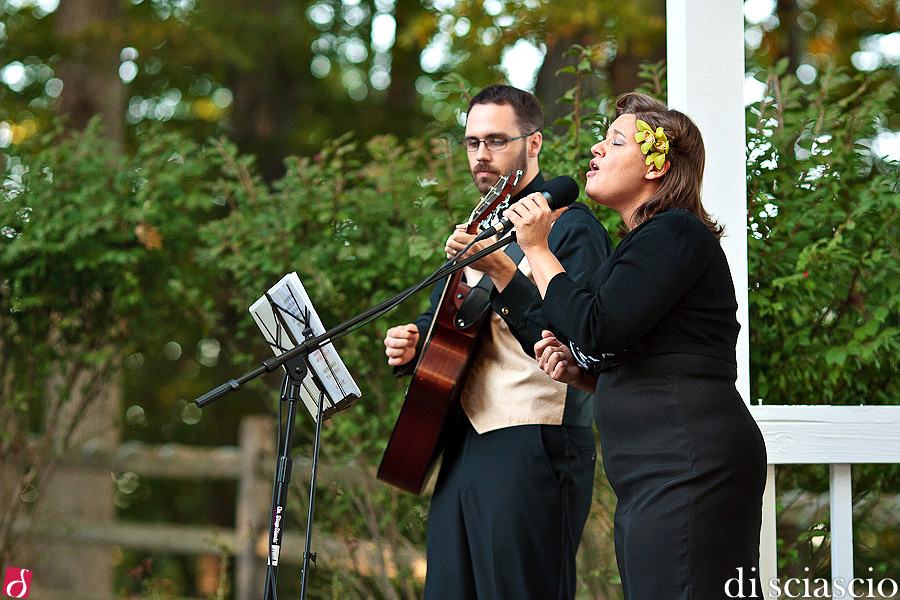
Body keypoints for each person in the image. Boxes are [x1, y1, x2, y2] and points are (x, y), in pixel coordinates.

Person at [502, 92, 767, 600]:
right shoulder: (643, 244)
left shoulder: (676, 232)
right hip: (655, 470)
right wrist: (586, 376)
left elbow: (595, 326)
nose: (596, 151)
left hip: (688, 465)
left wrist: (536, 247)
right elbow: (623, 343)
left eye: (615, 140)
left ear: (656, 165)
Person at [383, 84, 612, 600]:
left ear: (533, 145)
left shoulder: (572, 229)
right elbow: (445, 315)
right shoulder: (480, 226)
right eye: (470, 142)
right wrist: (415, 338)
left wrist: (505, 272)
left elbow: (580, 343)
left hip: (534, 441)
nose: (481, 155)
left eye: (495, 141)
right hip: (462, 440)